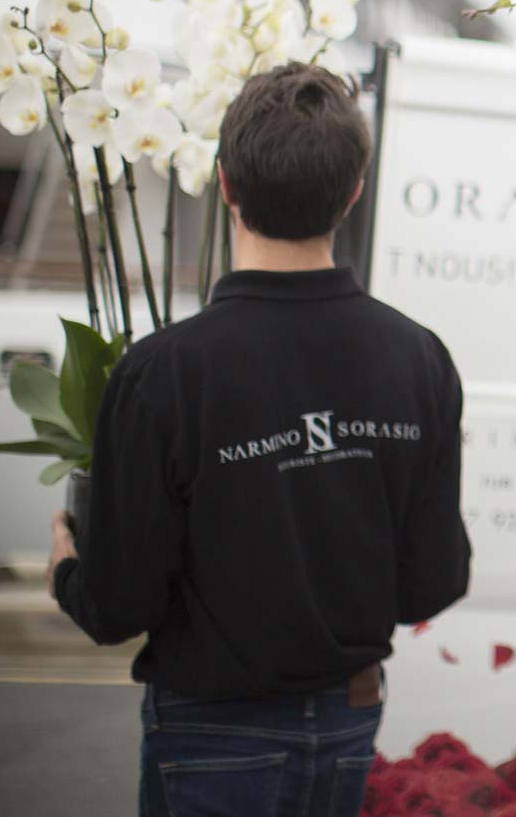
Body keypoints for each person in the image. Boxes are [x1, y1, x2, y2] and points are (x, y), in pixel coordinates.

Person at [50, 63, 472, 817]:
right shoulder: (418, 357)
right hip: (350, 720)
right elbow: (432, 583)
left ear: (225, 188)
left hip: (211, 730)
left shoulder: (163, 372)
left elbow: (118, 605)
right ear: (353, 191)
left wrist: (65, 569)